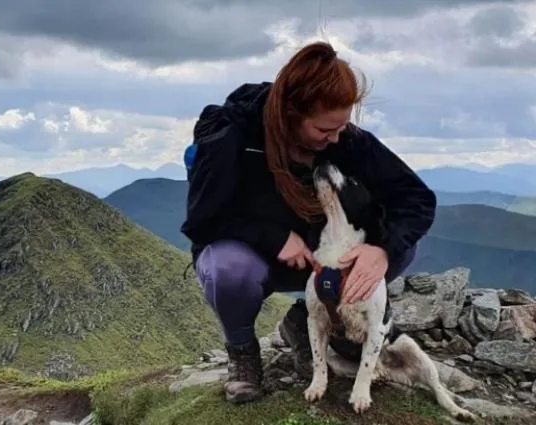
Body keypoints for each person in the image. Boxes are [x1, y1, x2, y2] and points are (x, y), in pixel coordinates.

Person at [180, 41, 436, 404]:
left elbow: (416, 198)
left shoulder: (344, 139)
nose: (335, 138)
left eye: (341, 127)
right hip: (255, 259)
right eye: (324, 130)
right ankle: (242, 353)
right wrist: (273, 237)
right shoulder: (231, 136)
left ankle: (309, 320)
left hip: (323, 261)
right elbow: (202, 220)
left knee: (403, 245)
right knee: (228, 271)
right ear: (289, 113)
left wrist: (381, 250)